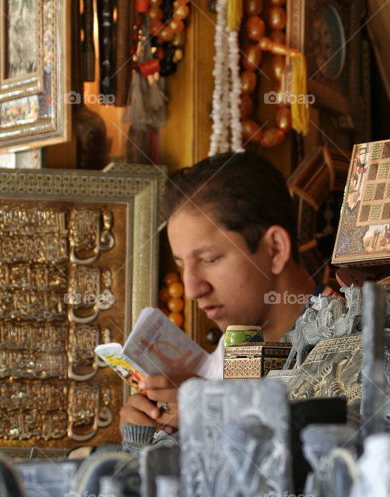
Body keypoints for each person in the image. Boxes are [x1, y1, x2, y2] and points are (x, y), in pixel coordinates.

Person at [119, 151, 319, 433]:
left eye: (210, 259)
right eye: (181, 265)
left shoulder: (351, 339)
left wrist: (215, 412)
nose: (191, 290)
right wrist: (148, 424)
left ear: (274, 249)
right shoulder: (240, 345)